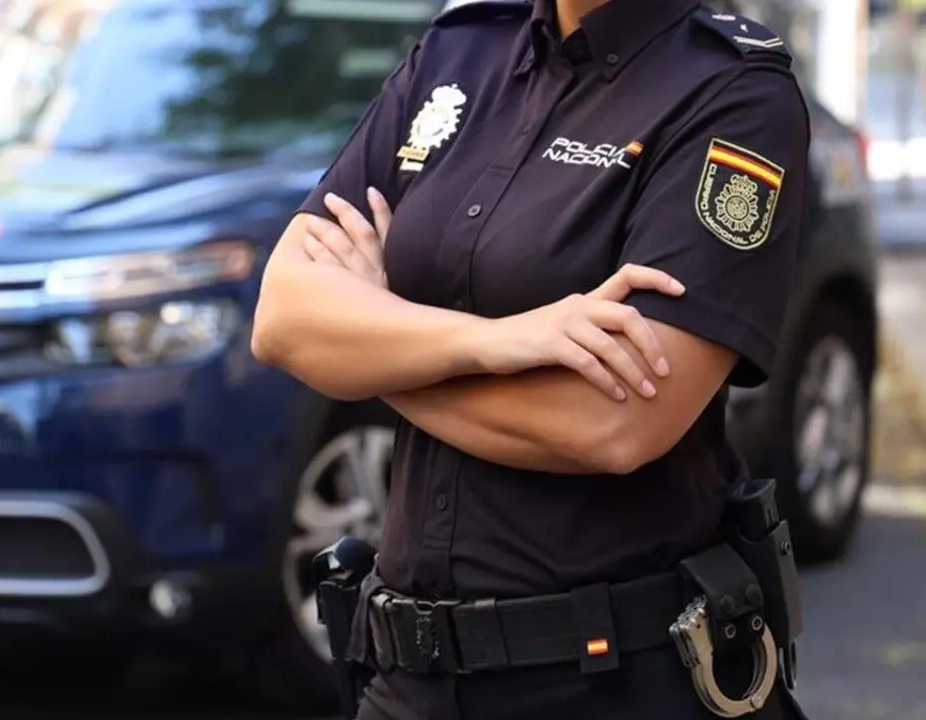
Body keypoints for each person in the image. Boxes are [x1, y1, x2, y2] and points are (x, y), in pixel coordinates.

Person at [251, 0, 811, 718]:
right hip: (405, 681)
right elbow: (284, 317)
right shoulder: (460, 51)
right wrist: (495, 342)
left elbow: (615, 423)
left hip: (605, 679)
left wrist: (372, 347)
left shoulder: (732, 92)